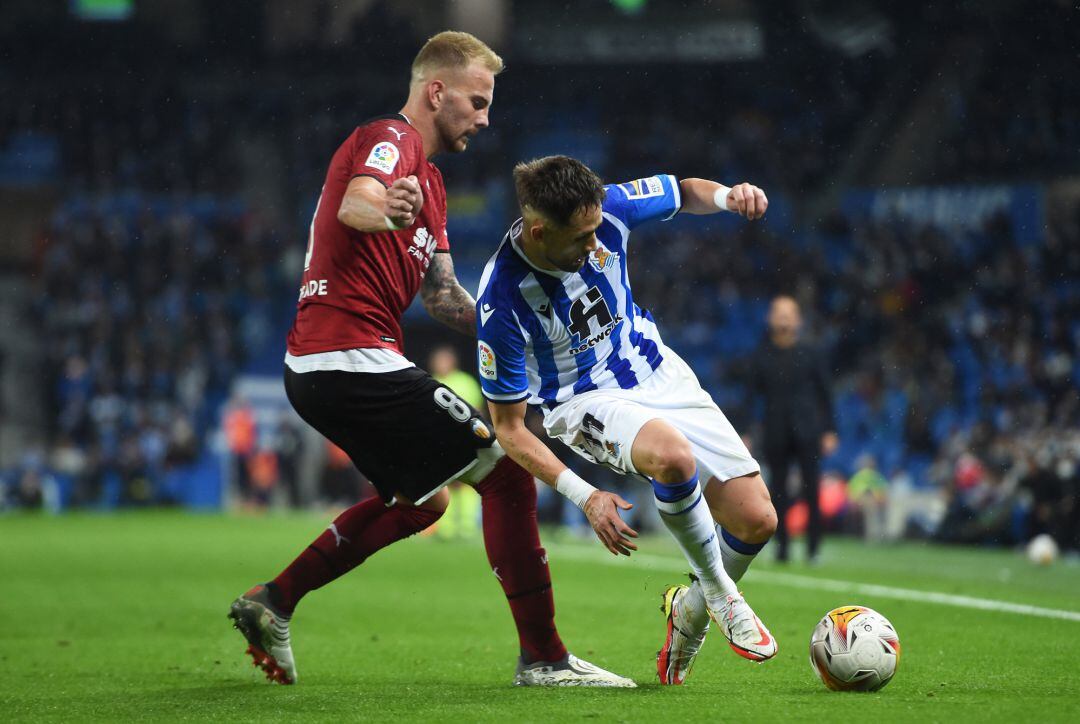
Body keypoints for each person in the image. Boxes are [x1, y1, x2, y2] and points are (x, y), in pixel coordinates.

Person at [228, 33, 632, 688]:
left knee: (422, 502)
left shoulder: (435, 189)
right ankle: (546, 658)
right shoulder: (392, 139)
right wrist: (383, 207)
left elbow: (443, 298)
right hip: (346, 354)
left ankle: (274, 602)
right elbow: (357, 201)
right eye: (476, 101)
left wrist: (525, 329)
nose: (485, 117)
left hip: (328, 367)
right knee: (504, 474)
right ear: (436, 92)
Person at [476, 156, 779, 687]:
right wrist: (585, 495)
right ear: (540, 231)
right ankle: (721, 592)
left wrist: (731, 195)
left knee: (756, 520)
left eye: (597, 232)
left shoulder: (608, 209)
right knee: (673, 456)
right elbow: (509, 428)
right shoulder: (501, 299)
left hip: (657, 369)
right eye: (581, 239)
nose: (595, 246)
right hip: (582, 399)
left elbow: (684, 191)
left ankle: (690, 609)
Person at [748, 295, 838, 563]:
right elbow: (751, 397)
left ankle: (814, 549)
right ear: (770, 318)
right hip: (776, 430)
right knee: (777, 492)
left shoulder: (811, 353)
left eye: (789, 313)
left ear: (798, 320)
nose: (784, 318)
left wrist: (830, 430)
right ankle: (782, 548)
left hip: (808, 430)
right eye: (779, 312)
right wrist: (745, 431)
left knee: (812, 490)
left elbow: (826, 394)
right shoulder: (761, 356)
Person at [427, 345, 483, 540]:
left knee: (467, 483)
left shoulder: (465, 382)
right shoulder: (429, 381)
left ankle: (467, 526)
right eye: (437, 360)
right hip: (437, 442)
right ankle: (446, 527)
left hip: (462, 439)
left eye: (444, 359)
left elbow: (476, 411)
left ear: (453, 361)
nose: (440, 364)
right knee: (444, 482)